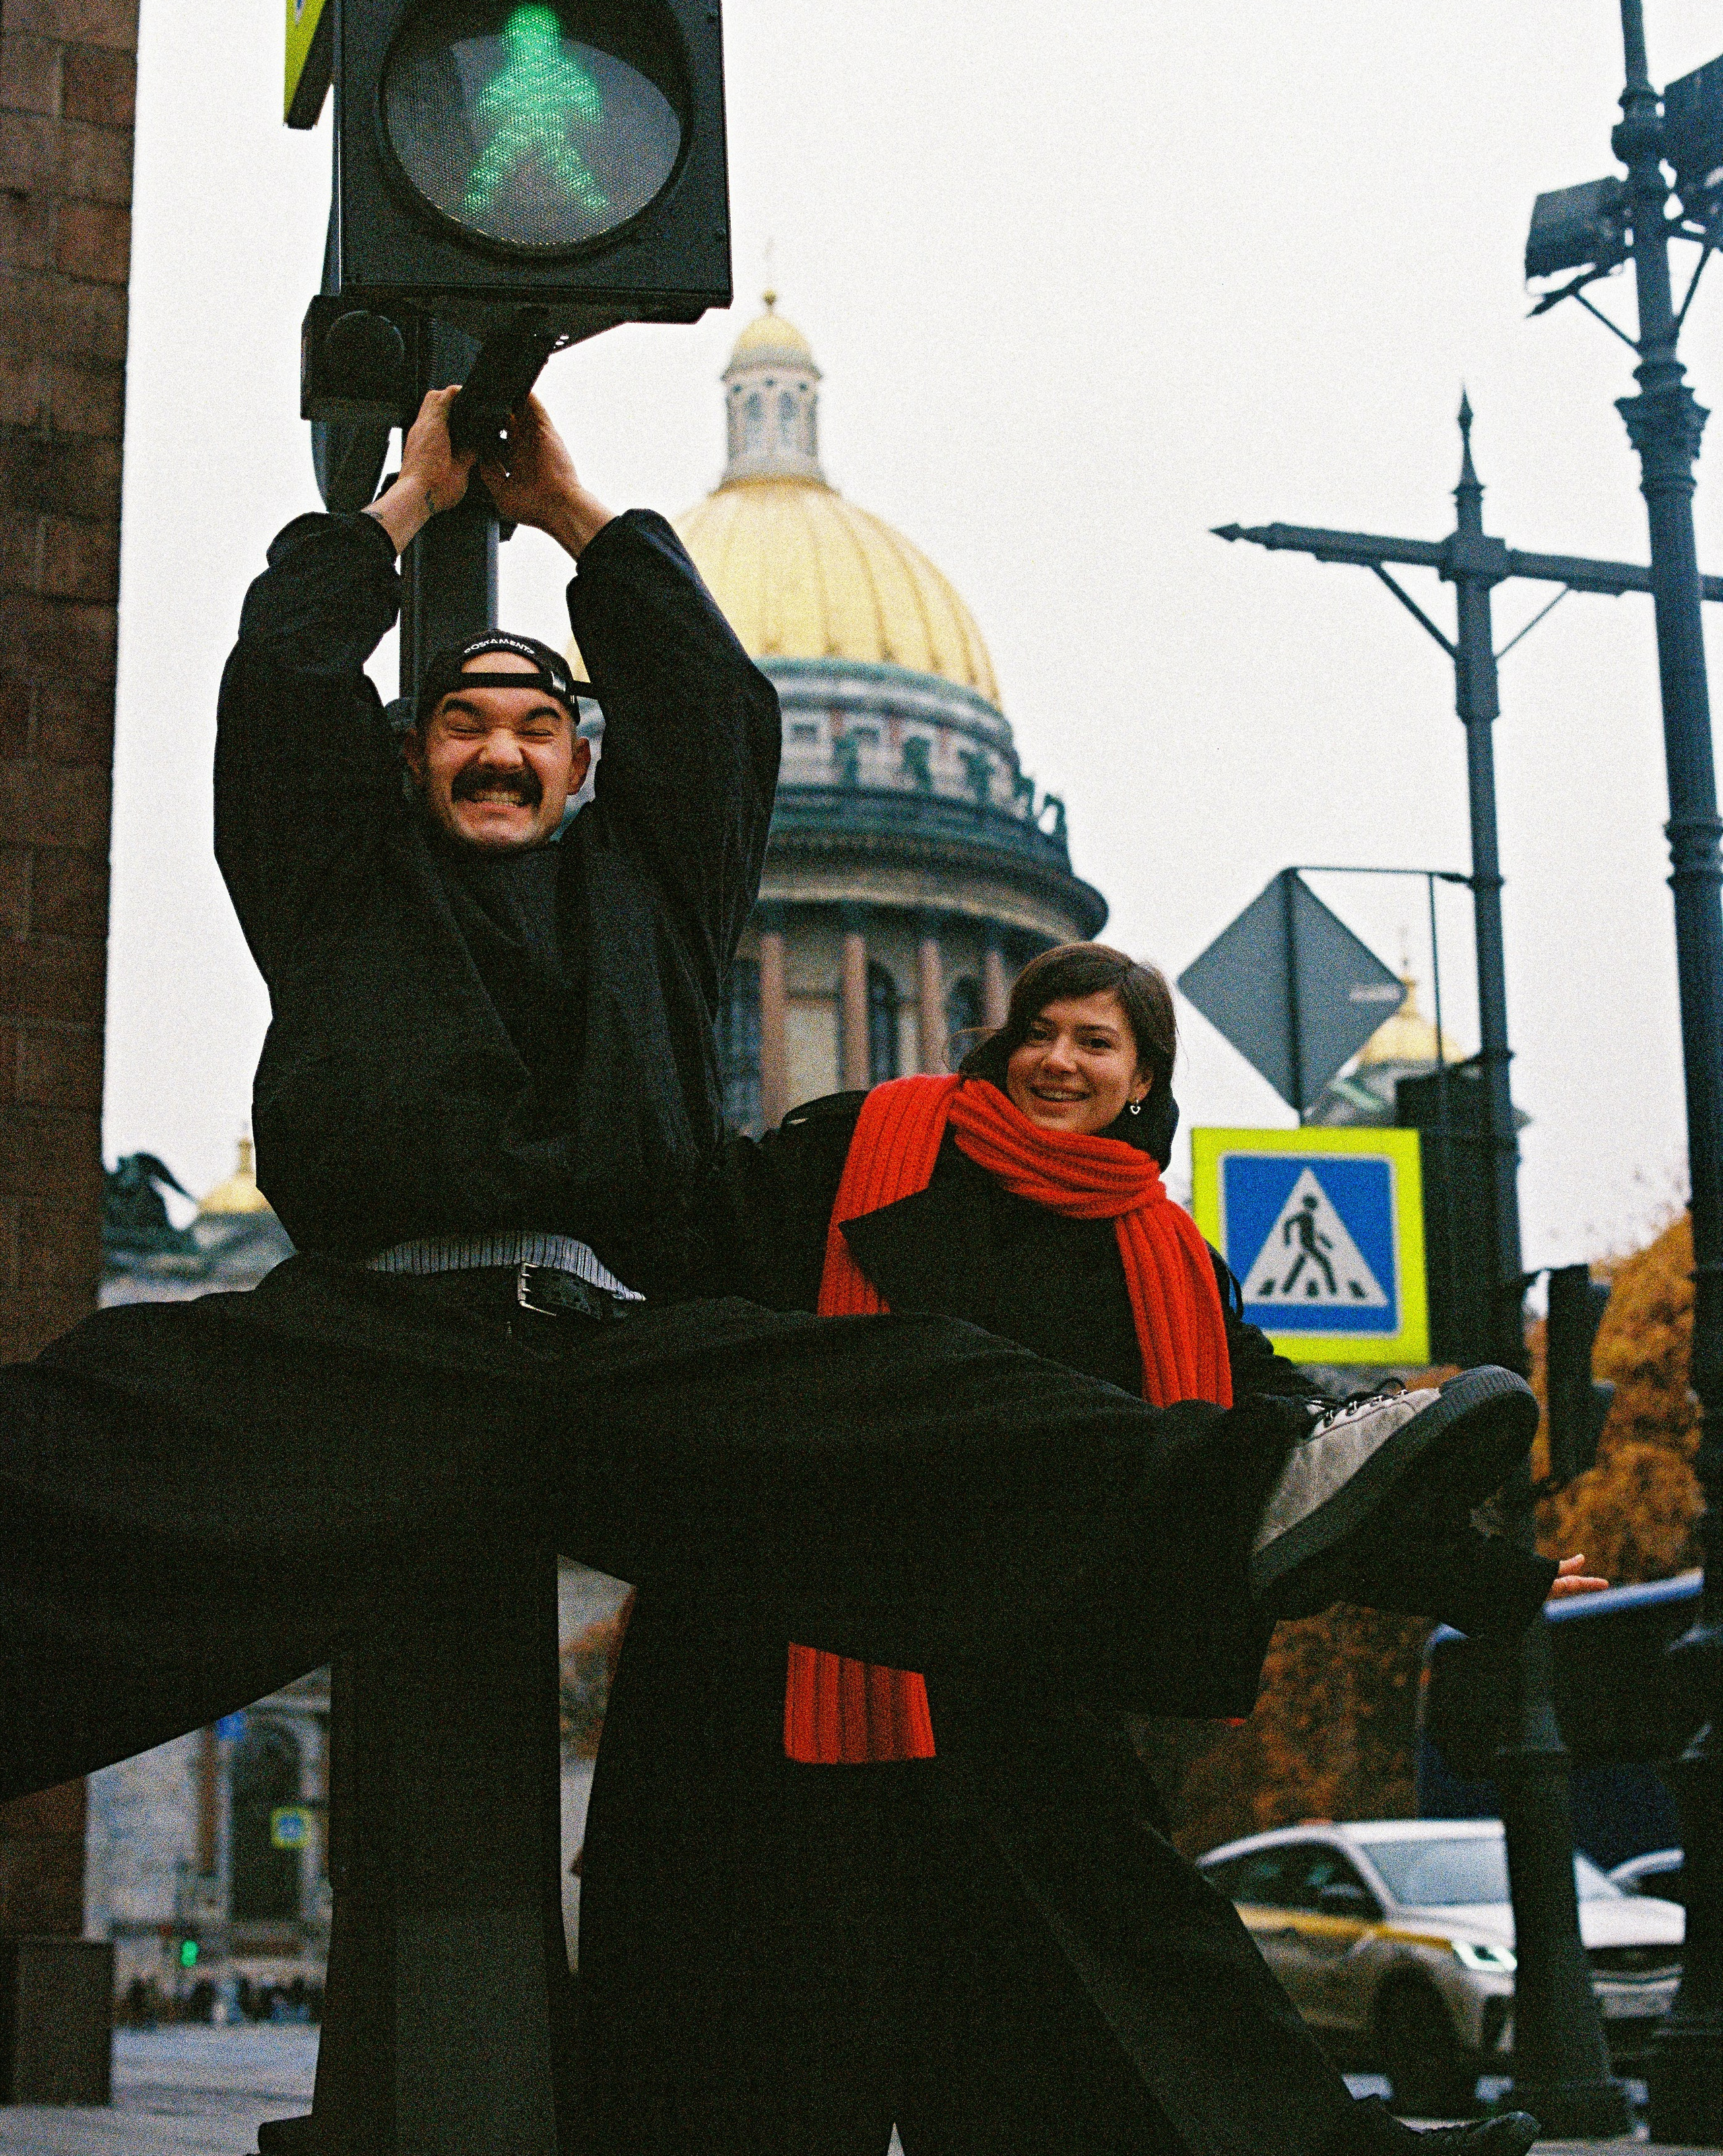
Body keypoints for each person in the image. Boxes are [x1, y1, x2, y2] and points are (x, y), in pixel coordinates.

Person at [3, 395, 1545, 2141]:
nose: (500, 750)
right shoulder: (339, 882)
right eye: (462, 724)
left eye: (539, 725)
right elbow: (279, 690)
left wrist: (575, 513)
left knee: (911, 1397)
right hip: (379, 1328)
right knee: (76, 1450)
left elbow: (712, 715)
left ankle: (1255, 1486)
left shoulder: (646, 904)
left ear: (588, 766)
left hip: (600, 1337)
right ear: (404, 762)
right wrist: (408, 504)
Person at [574, 942, 1601, 2156]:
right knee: (751, 2046)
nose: (1057, 1060)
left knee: (1122, 2003)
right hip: (783, 1666)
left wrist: (1489, 1575)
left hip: (1006, 1695)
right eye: (1039, 1031)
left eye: (1094, 1041)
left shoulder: (1168, 1265)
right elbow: (686, 1231)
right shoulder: (861, 1149)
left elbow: (1278, 1470)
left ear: (1142, 1080)